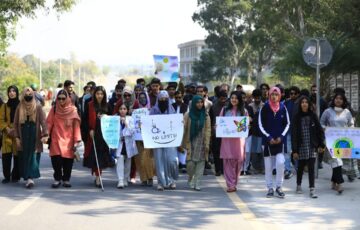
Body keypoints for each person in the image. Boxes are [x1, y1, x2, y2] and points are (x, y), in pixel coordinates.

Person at [320, 93, 356, 194]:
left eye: (341, 99)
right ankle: (339, 184)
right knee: (337, 161)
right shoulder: (327, 111)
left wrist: (350, 130)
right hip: (331, 140)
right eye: (336, 98)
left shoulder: (347, 112)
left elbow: (351, 124)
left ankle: (333, 181)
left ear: (344, 101)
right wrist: (325, 128)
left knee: (339, 162)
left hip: (343, 141)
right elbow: (321, 123)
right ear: (333, 100)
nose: (338, 100)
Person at [13, 87, 48, 188]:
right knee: (24, 156)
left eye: (30, 95)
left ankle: (30, 178)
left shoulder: (37, 106)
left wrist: (45, 134)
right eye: (26, 95)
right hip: (23, 134)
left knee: (33, 156)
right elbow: (15, 123)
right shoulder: (20, 106)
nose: (28, 96)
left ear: (33, 95)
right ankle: (27, 177)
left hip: (34, 134)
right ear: (23, 95)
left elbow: (43, 121)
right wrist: (17, 137)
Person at [259, 86, 290, 198]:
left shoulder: (283, 108)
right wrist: (269, 137)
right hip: (267, 142)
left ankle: (279, 186)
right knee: (268, 167)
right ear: (269, 95)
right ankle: (270, 188)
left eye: (276, 95)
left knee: (280, 162)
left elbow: (287, 124)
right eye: (272, 94)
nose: (274, 96)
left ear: (280, 96)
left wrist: (281, 137)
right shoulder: (265, 108)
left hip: (279, 142)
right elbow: (260, 125)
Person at [46, 90, 81, 188]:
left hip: (68, 140)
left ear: (67, 99)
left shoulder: (73, 110)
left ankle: (66, 179)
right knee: (56, 161)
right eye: (59, 98)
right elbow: (49, 123)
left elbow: (76, 126)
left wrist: (76, 140)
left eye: (63, 98)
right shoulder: (54, 109)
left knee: (68, 162)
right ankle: (57, 179)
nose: (61, 100)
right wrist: (45, 134)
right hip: (56, 139)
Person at [292, 96, 325, 198]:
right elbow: (294, 134)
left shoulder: (313, 115)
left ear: (309, 104)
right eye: (302, 102)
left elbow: (319, 130)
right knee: (301, 167)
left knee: (311, 167)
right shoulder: (297, 117)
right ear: (300, 104)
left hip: (311, 145)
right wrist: (295, 150)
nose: (304, 104)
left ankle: (312, 189)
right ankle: (298, 185)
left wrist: (321, 144)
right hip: (301, 145)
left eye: (306, 102)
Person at [150, 91, 179, 191]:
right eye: (161, 99)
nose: (163, 101)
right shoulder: (153, 110)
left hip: (170, 140)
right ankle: (160, 182)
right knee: (159, 160)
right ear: (158, 99)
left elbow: (176, 123)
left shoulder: (172, 109)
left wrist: (180, 123)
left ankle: (172, 181)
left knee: (172, 160)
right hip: (157, 140)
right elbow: (149, 124)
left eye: (165, 99)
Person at [83, 86, 111, 188]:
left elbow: (112, 119)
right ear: (94, 94)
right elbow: (84, 119)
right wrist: (89, 130)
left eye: (101, 94)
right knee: (94, 156)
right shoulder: (89, 105)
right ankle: (97, 175)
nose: (99, 96)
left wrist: (105, 117)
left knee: (101, 156)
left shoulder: (107, 106)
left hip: (104, 135)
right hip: (93, 134)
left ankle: (99, 176)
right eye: (98, 94)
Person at [181, 95, 210, 191]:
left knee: (201, 163)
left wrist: (207, 143)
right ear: (193, 103)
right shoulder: (187, 115)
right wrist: (181, 144)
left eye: (201, 102)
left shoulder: (206, 116)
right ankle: (191, 177)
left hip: (202, 142)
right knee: (190, 164)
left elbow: (208, 130)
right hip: (191, 142)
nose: (200, 104)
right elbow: (183, 129)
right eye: (197, 102)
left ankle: (197, 182)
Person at [220, 91, 247, 192]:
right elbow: (220, 124)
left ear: (239, 100)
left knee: (238, 162)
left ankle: (234, 182)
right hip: (227, 140)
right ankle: (230, 184)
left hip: (239, 141)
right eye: (232, 98)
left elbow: (245, 126)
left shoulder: (244, 111)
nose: (233, 100)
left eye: (236, 98)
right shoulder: (224, 110)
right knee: (228, 161)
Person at [0, 86, 20, 183]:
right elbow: (1, 119)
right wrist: (7, 128)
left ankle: (15, 175)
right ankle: (7, 176)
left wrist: (16, 130)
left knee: (17, 156)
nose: (11, 93)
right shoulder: (4, 106)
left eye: (13, 91)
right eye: (10, 91)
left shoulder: (21, 105)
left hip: (18, 133)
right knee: (6, 156)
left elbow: (23, 119)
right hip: (6, 133)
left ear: (17, 93)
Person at [115, 104, 138, 188]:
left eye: (124, 109)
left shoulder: (131, 119)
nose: (122, 110)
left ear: (127, 110)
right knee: (120, 160)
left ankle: (125, 178)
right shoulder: (115, 119)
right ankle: (120, 180)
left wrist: (126, 123)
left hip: (128, 143)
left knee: (128, 162)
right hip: (119, 143)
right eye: (120, 109)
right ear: (118, 110)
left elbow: (132, 131)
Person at [209, 90, 228, 176]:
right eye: (221, 98)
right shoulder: (213, 107)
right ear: (218, 98)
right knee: (216, 151)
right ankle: (218, 169)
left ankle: (224, 169)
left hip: (227, 133)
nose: (223, 100)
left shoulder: (229, 106)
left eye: (225, 98)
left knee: (225, 151)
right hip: (216, 132)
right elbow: (211, 119)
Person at [283, 86, 300, 179]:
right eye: (291, 94)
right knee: (288, 151)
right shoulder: (286, 103)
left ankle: (297, 168)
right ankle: (288, 169)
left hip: (297, 130)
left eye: (294, 93)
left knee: (296, 150)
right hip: (288, 130)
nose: (292, 95)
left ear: (298, 94)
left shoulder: (301, 103)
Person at [248, 89, 264, 174]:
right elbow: (249, 118)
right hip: (253, 131)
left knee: (261, 150)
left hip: (262, 132)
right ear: (253, 97)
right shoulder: (250, 106)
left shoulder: (264, 105)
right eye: (256, 97)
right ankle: (255, 167)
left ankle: (261, 167)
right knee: (254, 150)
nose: (257, 99)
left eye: (259, 97)